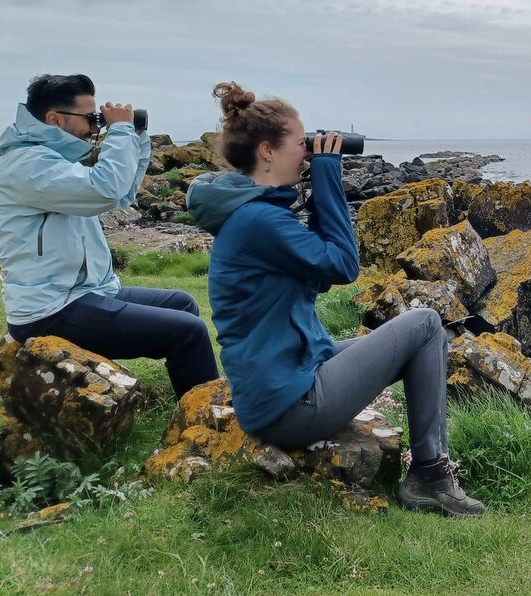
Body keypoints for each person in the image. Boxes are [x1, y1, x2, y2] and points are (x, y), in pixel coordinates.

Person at [187, 82, 484, 517]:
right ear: (267, 151)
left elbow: (319, 275)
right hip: (289, 405)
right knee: (422, 323)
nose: (305, 153)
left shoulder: (255, 215)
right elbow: (345, 265)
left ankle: (431, 470)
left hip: (283, 382)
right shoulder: (258, 221)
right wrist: (328, 173)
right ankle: (430, 476)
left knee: (429, 333)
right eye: (300, 143)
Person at [0, 73, 219, 399]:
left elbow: (119, 196)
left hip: (86, 292)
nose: (95, 127)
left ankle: (187, 393)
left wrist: (135, 137)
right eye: (90, 118)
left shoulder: (51, 160)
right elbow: (105, 189)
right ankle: (204, 419)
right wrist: (120, 130)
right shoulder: (28, 165)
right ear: (54, 119)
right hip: (51, 309)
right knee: (189, 332)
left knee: (183, 304)